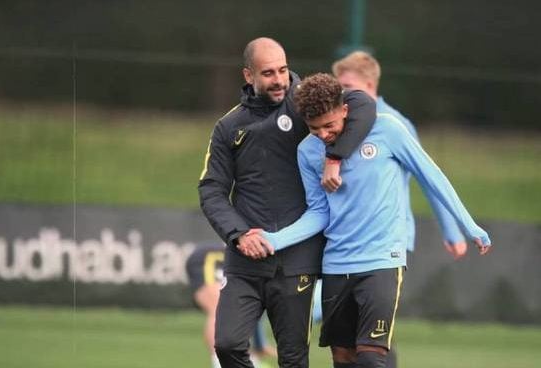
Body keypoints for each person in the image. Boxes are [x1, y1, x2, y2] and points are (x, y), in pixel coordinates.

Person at [262, 73, 492, 368]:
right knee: (343, 358)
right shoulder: (307, 151)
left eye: (329, 125)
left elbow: (431, 175)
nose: (323, 134)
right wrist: (274, 239)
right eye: (314, 128)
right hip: (336, 265)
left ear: (344, 110)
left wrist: (468, 224)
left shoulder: (388, 130)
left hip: (382, 261)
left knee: (372, 358)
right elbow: (318, 213)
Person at [198, 37, 376, 368]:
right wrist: (239, 235)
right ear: (248, 76)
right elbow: (211, 189)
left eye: (283, 69)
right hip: (245, 262)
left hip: (297, 262)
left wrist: (335, 157)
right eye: (268, 73)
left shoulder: (306, 102)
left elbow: (363, 105)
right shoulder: (228, 127)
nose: (280, 79)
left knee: (293, 360)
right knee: (227, 345)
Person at [332, 50, 467, 260]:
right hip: (347, 238)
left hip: (389, 240)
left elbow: (428, 178)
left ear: (369, 85)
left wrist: (451, 231)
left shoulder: (395, 124)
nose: (341, 93)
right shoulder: (336, 125)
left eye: (347, 86)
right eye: (338, 86)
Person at [185, 244, 276, 368]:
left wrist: (260, 345)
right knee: (218, 307)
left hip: (247, 261)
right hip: (219, 253)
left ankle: (248, 358)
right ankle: (221, 364)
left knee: (251, 305)